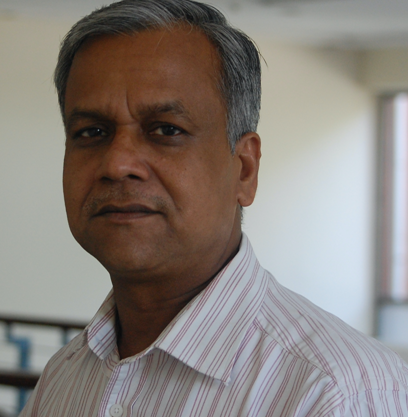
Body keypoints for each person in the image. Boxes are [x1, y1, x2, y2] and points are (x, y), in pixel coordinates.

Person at [20, 0, 408, 416]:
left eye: (166, 130)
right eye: (92, 132)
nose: (117, 164)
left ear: (244, 170)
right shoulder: (65, 375)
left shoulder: (336, 391)